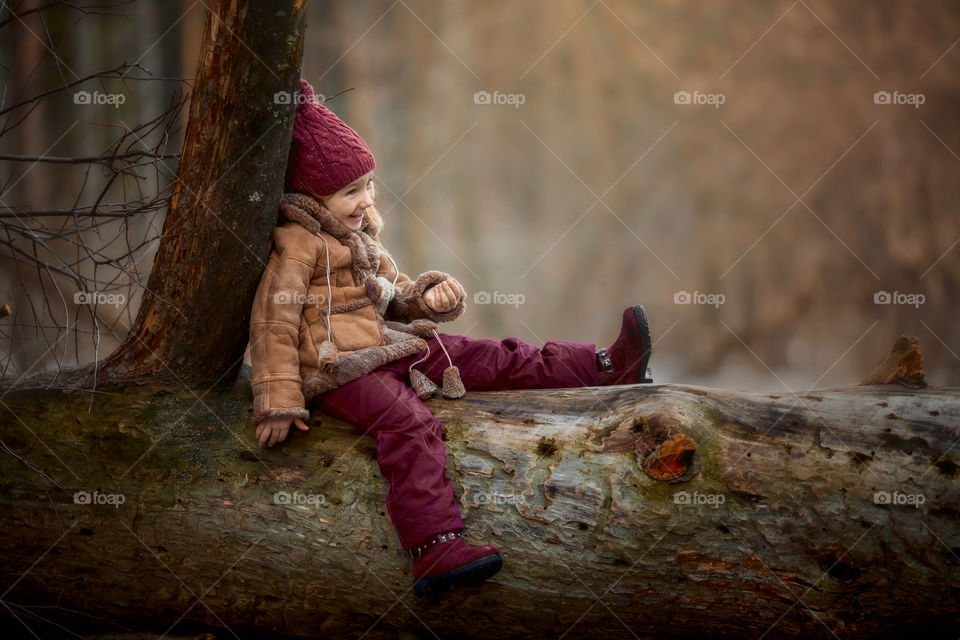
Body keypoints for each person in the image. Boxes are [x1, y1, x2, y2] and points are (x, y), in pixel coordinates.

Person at [249, 78, 653, 597]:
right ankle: (434, 548)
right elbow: (272, 324)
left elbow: (394, 295)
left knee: (488, 355)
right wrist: (278, 402)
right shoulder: (298, 246)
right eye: (350, 191)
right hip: (337, 372)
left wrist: (429, 296)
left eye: (368, 184)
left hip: (385, 347)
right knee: (409, 424)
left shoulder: (360, 237)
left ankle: (601, 367)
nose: (365, 199)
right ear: (312, 194)